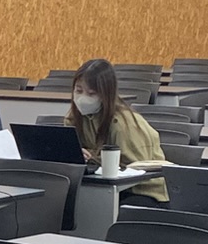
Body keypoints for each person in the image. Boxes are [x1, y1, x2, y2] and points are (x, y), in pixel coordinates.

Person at [67, 58, 168, 202]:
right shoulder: (74, 118)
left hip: (144, 190)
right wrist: (76, 154)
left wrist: (93, 157)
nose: (83, 98)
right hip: (102, 186)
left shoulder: (123, 124)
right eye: (78, 91)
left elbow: (136, 169)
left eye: (91, 93)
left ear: (106, 94)